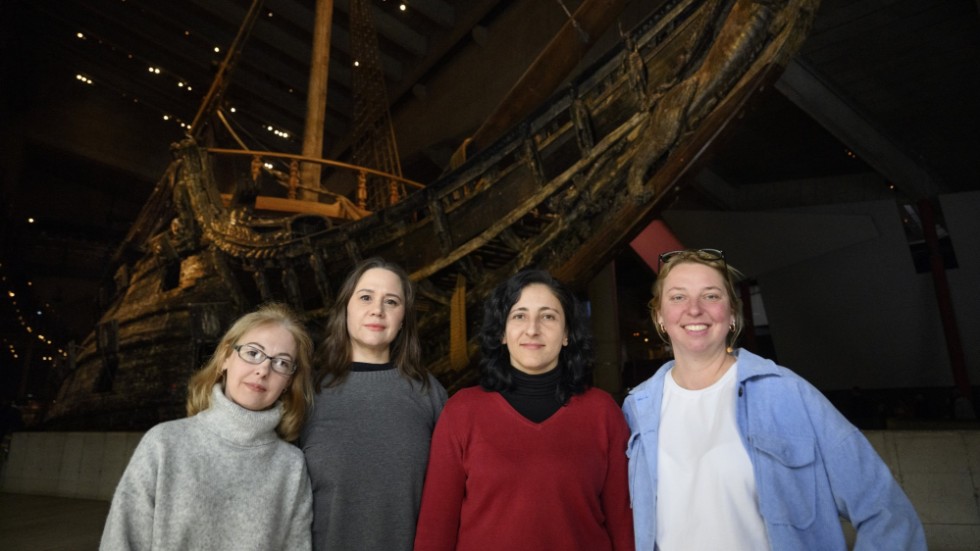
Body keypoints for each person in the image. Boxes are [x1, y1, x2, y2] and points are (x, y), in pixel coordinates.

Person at [622, 249, 926, 550]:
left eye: (711, 295)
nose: (694, 309)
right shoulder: (638, 408)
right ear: (660, 317)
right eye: (678, 297)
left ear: (732, 315)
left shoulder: (787, 394)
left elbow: (887, 512)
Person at [414, 269, 634, 551]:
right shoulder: (462, 412)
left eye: (548, 316)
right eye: (519, 315)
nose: (533, 329)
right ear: (502, 333)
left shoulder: (603, 413)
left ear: (567, 334)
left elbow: (623, 527)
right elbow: (435, 530)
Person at [100, 302, 315, 550]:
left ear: (288, 382)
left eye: (281, 363)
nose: (263, 370)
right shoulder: (163, 443)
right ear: (225, 358)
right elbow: (120, 542)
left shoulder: (291, 465)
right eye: (253, 353)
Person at [301, 257, 448, 551]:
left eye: (391, 302)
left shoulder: (429, 393)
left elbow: (453, 494)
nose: (377, 310)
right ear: (346, 308)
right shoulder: (309, 394)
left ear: (403, 318)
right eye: (366, 297)